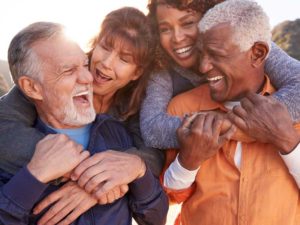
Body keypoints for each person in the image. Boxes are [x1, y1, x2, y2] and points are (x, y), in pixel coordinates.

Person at [0, 21, 168, 225]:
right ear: (32, 88)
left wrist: (138, 170)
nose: (89, 77)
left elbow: (156, 218)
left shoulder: (118, 133)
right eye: (68, 70)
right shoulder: (11, 150)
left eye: (84, 64)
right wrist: (34, 176)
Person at [162, 1, 300, 224]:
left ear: (257, 53)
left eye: (216, 55)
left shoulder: (296, 111)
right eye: (202, 54)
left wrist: (287, 140)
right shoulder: (181, 108)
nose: (203, 67)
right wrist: (188, 161)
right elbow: (167, 197)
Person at [140, 0, 300, 149]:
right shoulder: (162, 70)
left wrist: (257, 121)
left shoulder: (247, 44)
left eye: (188, 23)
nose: (177, 37)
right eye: (165, 29)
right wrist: (223, 124)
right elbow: (152, 129)